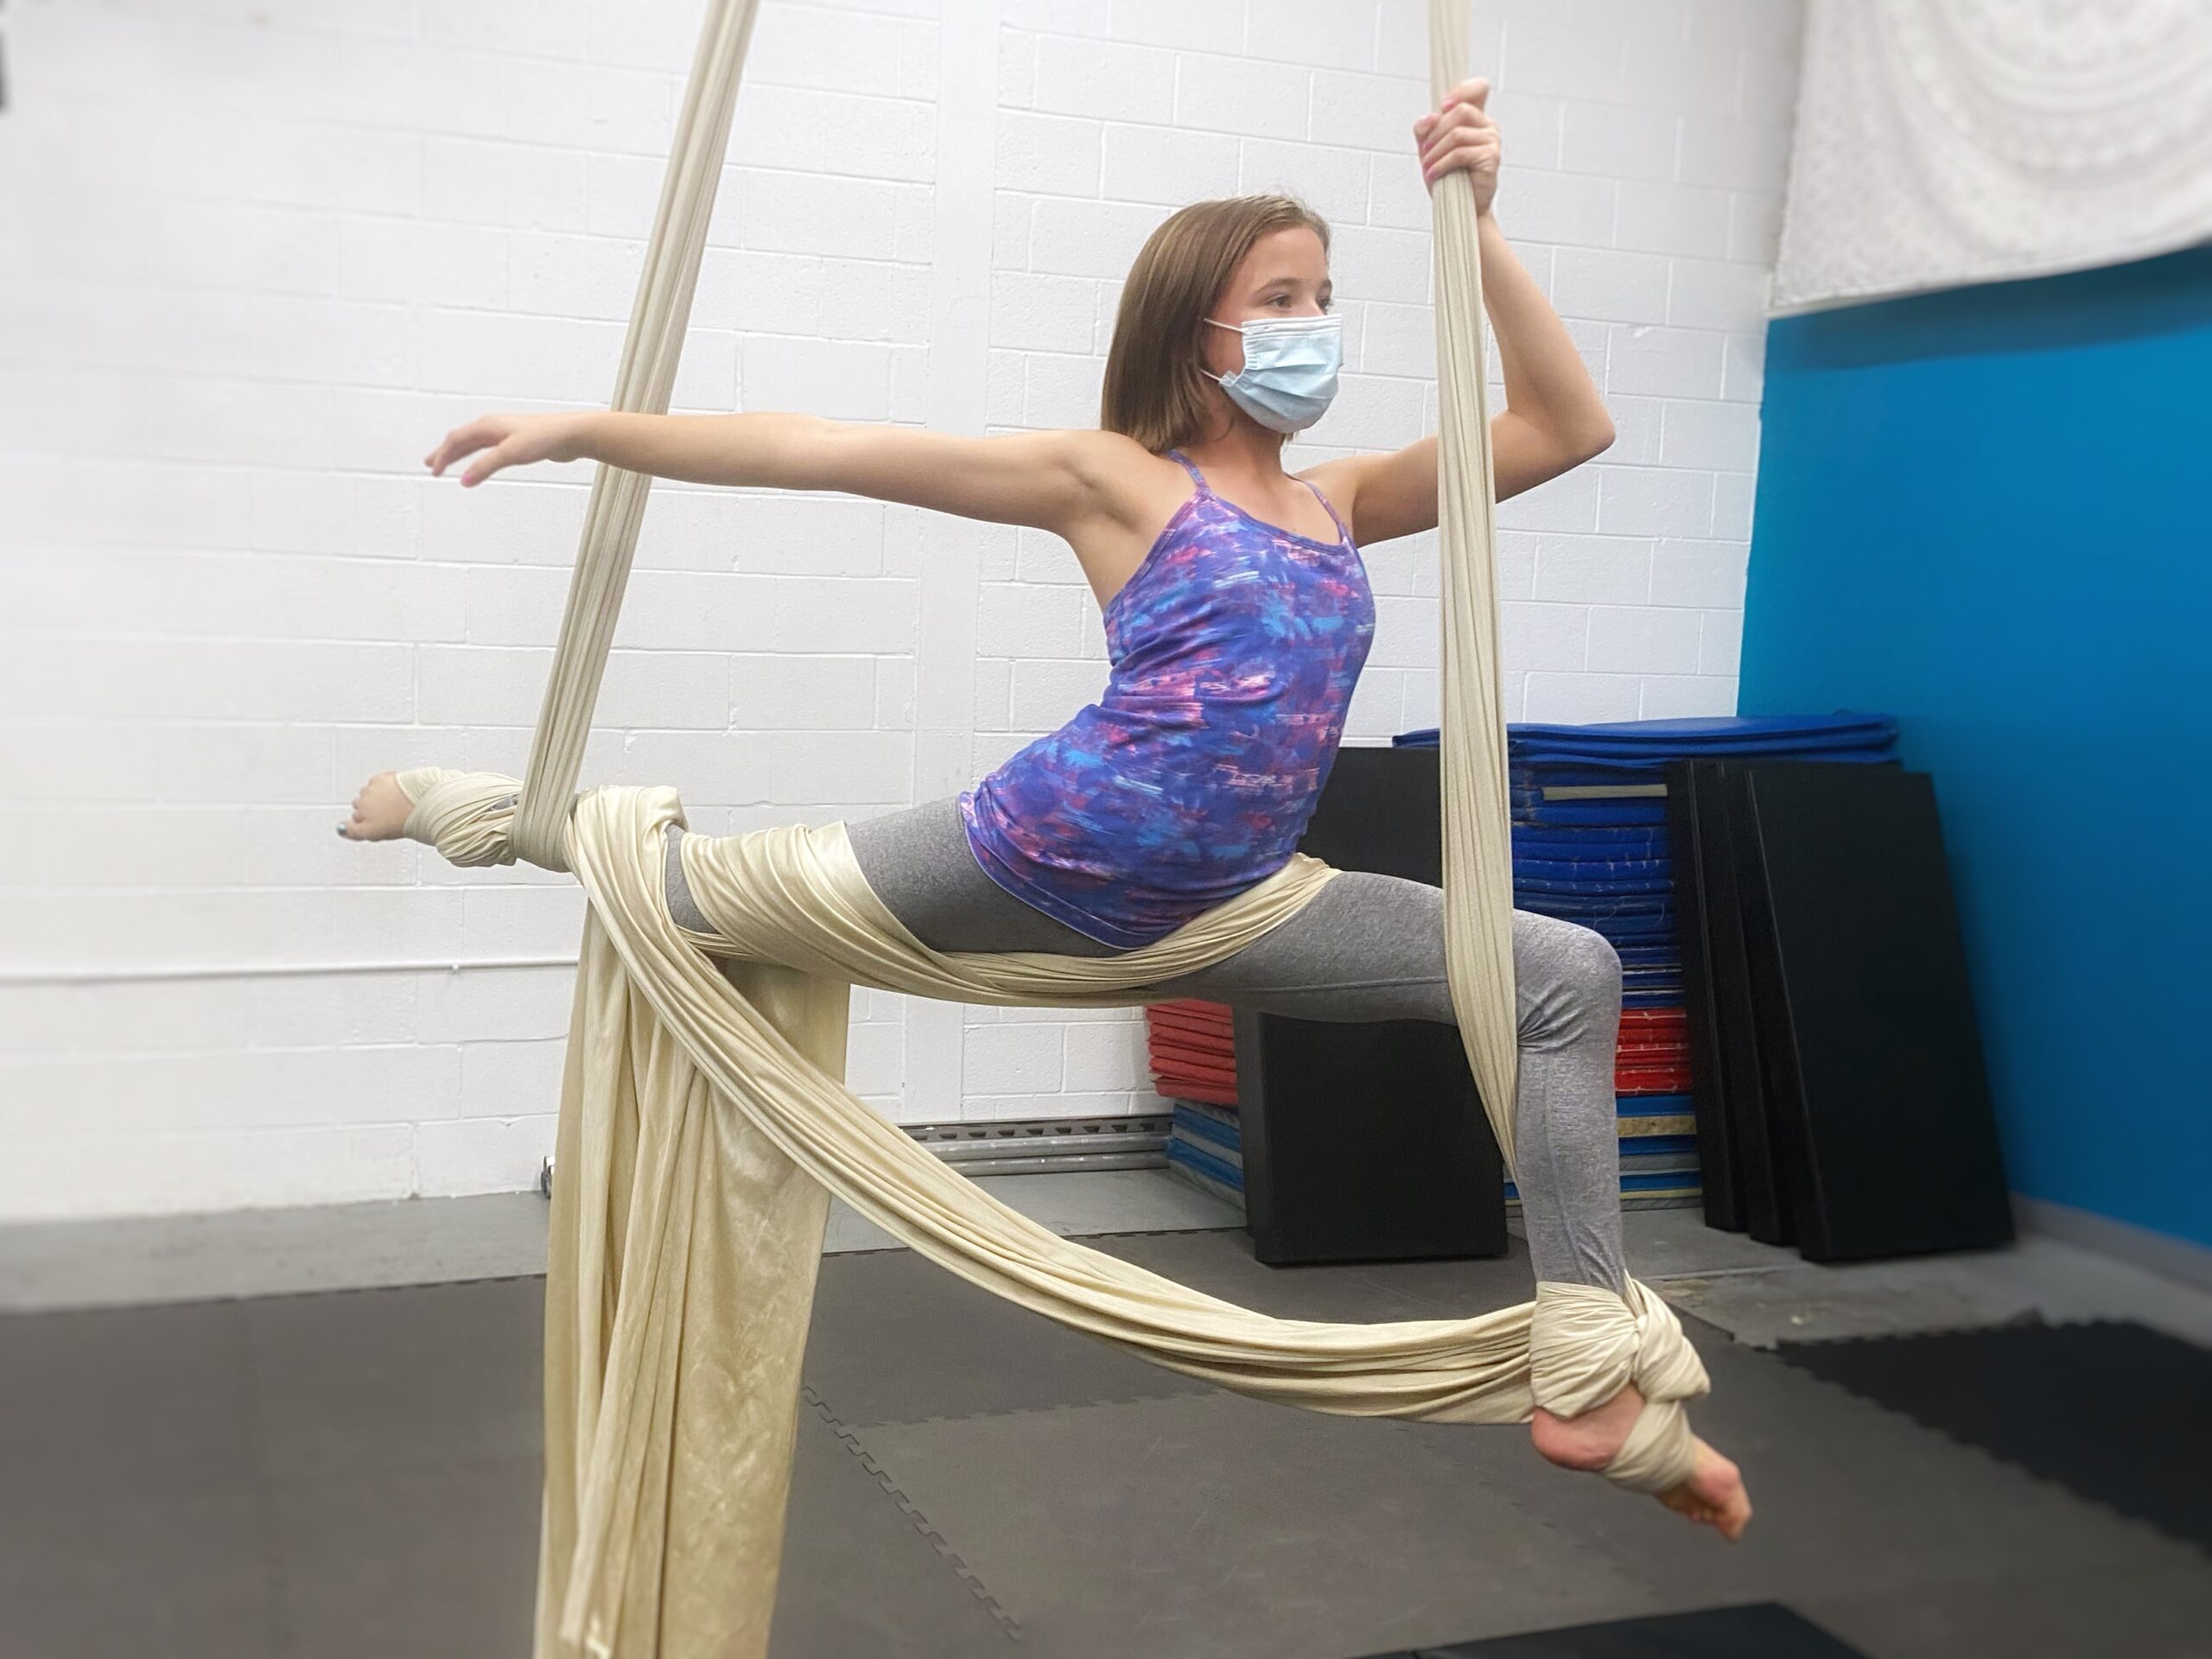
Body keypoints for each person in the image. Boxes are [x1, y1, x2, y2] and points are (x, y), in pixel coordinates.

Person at [343, 80, 1750, 1539]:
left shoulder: (1346, 501)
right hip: (1038, 855)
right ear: (1194, 332)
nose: (1313, 322)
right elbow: (824, 448)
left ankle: (1584, 1357)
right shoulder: (1117, 484)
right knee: (693, 892)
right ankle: (480, 808)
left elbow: (1566, 426)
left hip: (1242, 905)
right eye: (1280, 297)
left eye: (1326, 295)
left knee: (1565, 974)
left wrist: (1480, 232)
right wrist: (590, 427)